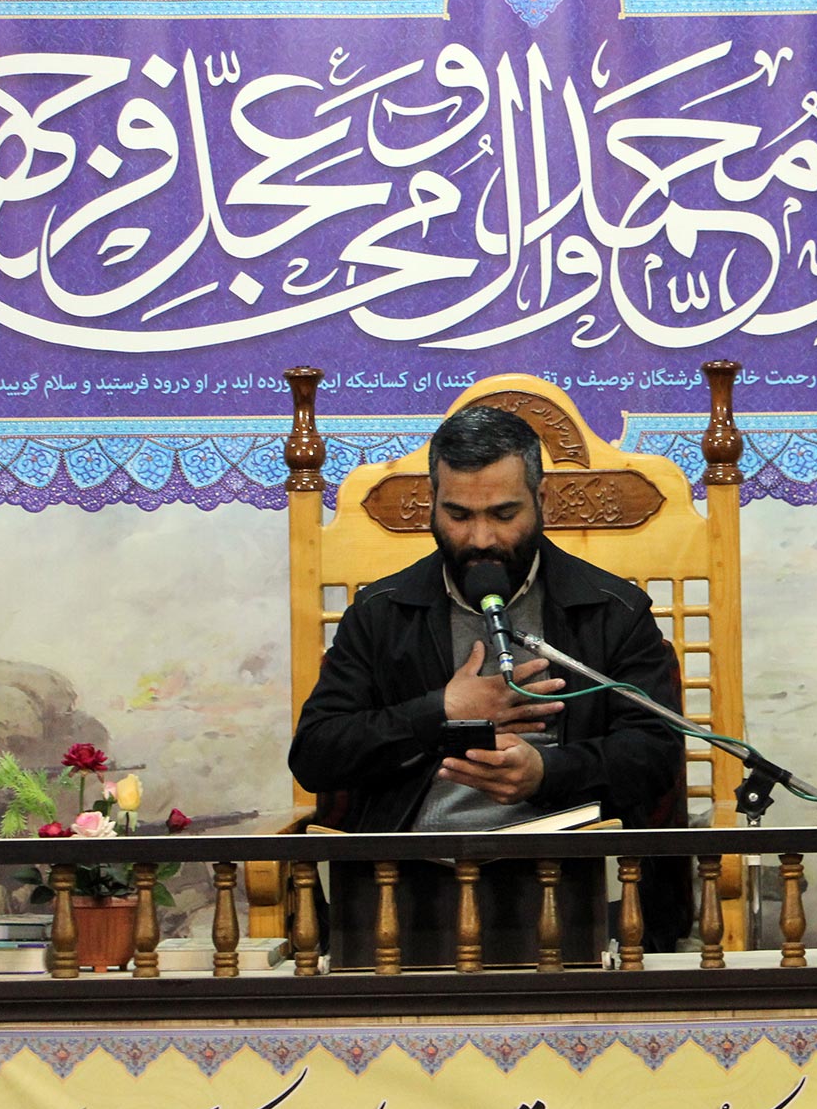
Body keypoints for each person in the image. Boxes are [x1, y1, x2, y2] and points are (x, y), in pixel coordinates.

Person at [289, 405, 689, 965]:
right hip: (405, 883)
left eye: (504, 514)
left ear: (541, 500)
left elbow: (654, 753)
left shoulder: (610, 611)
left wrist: (547, 773)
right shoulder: (381, 614)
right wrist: (440, 710)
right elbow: (316, 754)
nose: (480, 538)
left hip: (565, 877)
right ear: (432, 503)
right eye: (458, 514)